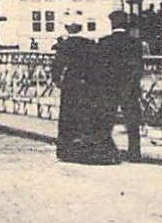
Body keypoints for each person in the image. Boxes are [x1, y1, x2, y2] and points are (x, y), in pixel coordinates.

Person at [95, 9, 145, 162]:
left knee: (106, 118)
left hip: (109, 87)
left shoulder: (104, 42)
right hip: (129, 86)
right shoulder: (135, 43)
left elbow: (100, 68)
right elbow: (139, 67)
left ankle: (107, 151)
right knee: (132, 120)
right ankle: (135, 152)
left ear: (112, 24)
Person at [51, 19, 99, 162]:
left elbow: (57, 66)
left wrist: (57, 80)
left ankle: (67, 150)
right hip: (87, 83)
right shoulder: (89, 43)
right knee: (85, 114)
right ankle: (85, 148)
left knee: (68, 115)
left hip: (71, 83)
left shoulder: (64, 45)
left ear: (68, 29)